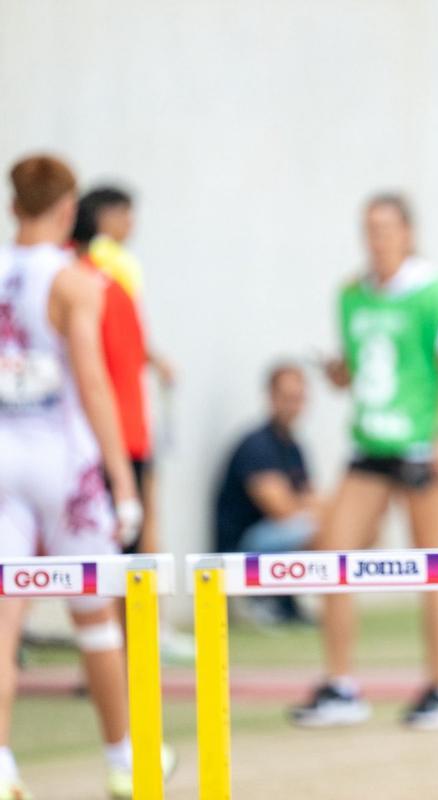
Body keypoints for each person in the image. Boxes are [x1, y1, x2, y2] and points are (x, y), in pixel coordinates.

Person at [0, 154, 172, 799]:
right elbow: (94, 383)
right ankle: (124, 757)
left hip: (4, 458)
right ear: (69, 209)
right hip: (63, 464)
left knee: (4, 620)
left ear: (13, 206)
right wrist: (123, 481)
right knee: (95, 617)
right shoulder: (76, 282)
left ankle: (2, 763)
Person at [289, 193, 438, 730]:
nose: (377, 239)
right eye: (369, 228)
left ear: (408, 232)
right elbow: (356, 369)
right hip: (369, 444)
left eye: (387, 228)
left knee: (433, 565)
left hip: (421, 448)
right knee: (333, 554)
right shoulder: (350, 294)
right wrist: (337, 374)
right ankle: (341, 685)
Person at [73, 186, 173, 560]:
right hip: (113, 423)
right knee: (124, 534)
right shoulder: (103, 270)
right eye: (126, 215)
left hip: (116, 417)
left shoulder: (96, 274)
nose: (132, 224)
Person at [214, 363, 318, 623]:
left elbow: (311, 500)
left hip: (273, 535)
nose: (293, 405)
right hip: (242, 547)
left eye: (298, 398)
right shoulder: (257, 445)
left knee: (337, 527)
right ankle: (258, 598)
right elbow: (281, 510)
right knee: (315, 529)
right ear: (271, 397)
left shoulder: (294, 447)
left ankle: (287, 600)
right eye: (287, 397)